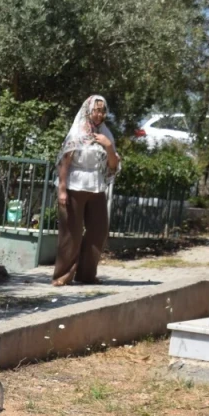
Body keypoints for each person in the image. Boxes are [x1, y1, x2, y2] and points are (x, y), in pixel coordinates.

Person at [54, 95, 120, 286]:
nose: (99, 114)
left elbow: (113, 165)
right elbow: (64, 163)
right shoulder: (76, 134)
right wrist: (62, 190)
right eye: (96, 110)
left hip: (97, 187)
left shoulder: (106, 134)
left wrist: (108, 147)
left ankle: (87, 274)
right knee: (71, 233)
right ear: (88, 111)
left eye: (102, 111)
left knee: (98, 230)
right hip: (75, 184)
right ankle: (62, 276)